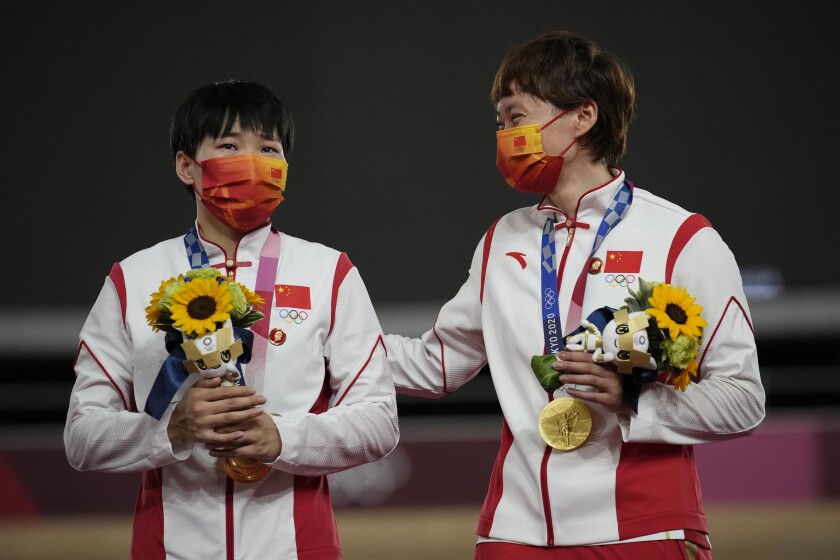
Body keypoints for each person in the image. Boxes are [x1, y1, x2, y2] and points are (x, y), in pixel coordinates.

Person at [384, 31, 764, 559]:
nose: (504, 135)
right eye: (500, 123)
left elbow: (743, 401)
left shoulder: (682, 237)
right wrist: (332, 332)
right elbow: (436, 364)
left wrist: (633, 399)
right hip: (515, 533)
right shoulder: (503, 238)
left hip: (642, 529)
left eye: (516, 117)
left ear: (583, 117)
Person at [64, 80, 399, 559]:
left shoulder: (329, 272)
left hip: (299, 547)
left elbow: (380, 423)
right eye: (229, 146)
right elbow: (81, 438)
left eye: (268, 148)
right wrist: (171, 430)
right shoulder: (132, 279)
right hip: (167, 548)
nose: (253, 162)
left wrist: (281, 436)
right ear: (186, 166)